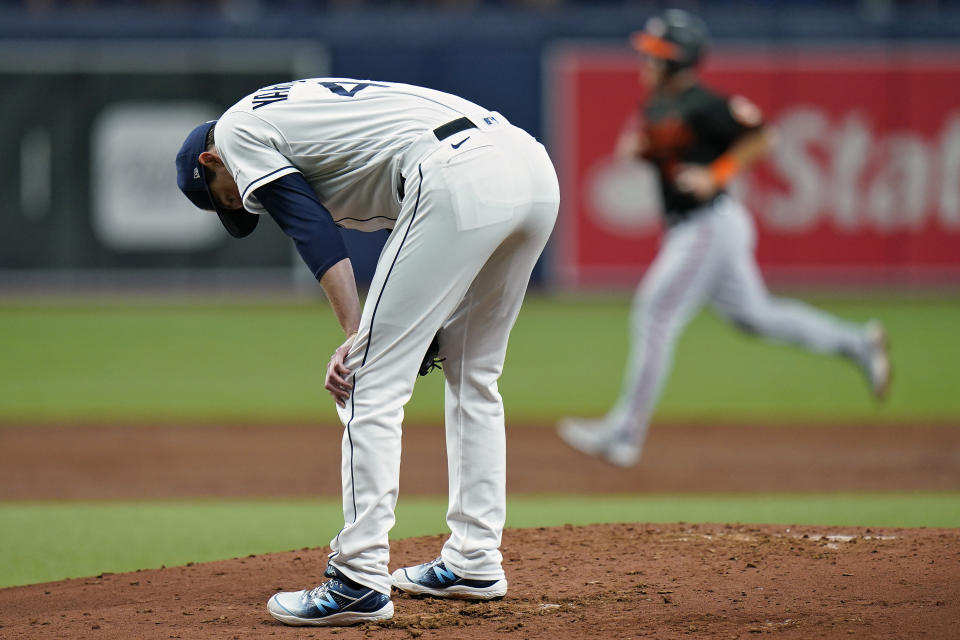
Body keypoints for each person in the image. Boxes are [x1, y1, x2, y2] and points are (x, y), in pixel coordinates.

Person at [175, 78, 559, 626]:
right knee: (474, 373)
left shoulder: (236, 131)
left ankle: (357, 579)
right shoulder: (291, 109)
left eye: (224, 192)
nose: (242, 202)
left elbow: (312, 231)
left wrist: (359, 336)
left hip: (457, 169)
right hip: (528, 164)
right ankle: (474, 561)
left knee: (366, 382)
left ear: (211, 159)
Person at [557, 10, 891, 468]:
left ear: (678, 60)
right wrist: (642, 151)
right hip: (694, 226)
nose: (645, 62)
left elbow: (763, 136)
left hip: (707, 224)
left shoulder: (706, 103)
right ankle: (857, 343)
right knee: (756, 317)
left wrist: (718, 173)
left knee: (655, 312)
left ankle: (625, 434)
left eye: (655, 55)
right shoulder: (655, 106)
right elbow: (650, 149)